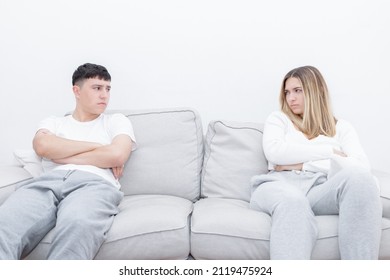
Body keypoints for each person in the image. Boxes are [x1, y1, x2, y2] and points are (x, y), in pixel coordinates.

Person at [0, 63, 136, 259]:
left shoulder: (116, 121)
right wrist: (99, 147)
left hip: (94, 184)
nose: (104, 95)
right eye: (97, 88)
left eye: (107, 89)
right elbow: (42, 147)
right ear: (77, 91)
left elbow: (117, 155)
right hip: (47, 183)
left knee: (77, 223)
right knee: (5, 222)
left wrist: (60, 153)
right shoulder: (53, 122)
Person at [250, 65, 382, 259]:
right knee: (293, 202)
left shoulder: (342, 128)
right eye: (287, 92)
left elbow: (361, 167)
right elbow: (276, 154)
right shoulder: (279, 119)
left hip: (319, 190)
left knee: (360, 179)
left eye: (297, 91)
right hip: (278, 185)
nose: (290, 98)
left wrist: (302, 164)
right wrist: (330, 152)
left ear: (315, 91)